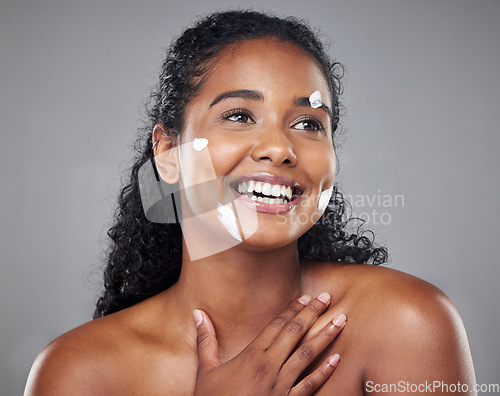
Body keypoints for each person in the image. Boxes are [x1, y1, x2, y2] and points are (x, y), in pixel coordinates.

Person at [25, 10, 476, 395]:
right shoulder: (80, 371)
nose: (279, 148)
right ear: (168, 153)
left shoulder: (408, 324)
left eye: (308, 123)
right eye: (239, 116)